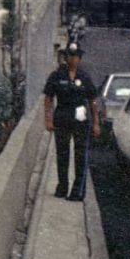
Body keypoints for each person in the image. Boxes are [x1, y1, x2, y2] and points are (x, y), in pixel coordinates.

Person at [43, 43, 100, 202]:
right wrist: (48, 119)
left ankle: (78, 190)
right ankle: (62, 186)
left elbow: (92, 100)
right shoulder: (57, 75)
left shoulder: (85, 76)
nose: (73, 59)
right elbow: (48, 98)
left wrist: (96, 122)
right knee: (62, 152)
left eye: (76, 57)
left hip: (80, 114)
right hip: (62, 114)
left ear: (80, 58)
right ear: (66, 57)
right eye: (70, 56)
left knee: (80, 153)